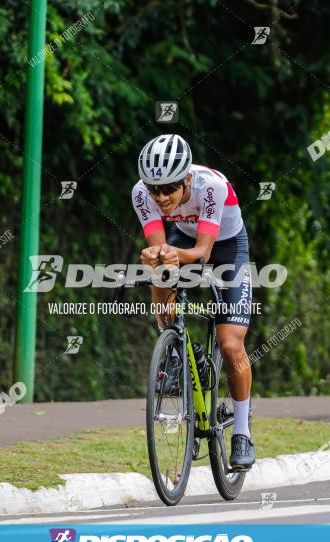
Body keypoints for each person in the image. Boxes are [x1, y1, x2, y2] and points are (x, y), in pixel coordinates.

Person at [131, 133, 255, 470]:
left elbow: (202, 253)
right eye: (154, 189)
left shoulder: (211, 186)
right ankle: (173, 346)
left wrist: (172, 254)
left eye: (169, 188)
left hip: (225, 246)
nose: (161, 197)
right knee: (160, 268)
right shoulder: (142, 194)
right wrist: (155, 254)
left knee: (230, 345)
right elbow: (159, 247)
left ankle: (242, 432)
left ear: (187, 178)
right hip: (183, 239)